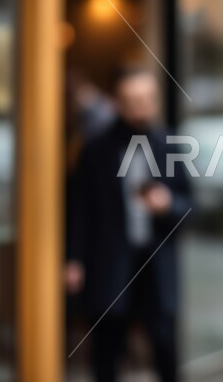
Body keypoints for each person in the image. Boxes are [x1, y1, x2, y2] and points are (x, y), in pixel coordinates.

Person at [66, 65, 191, 382]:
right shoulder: (96, 149)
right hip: (110, 261)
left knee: (164, 344)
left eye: (146, 98)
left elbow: (190, 204)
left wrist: (168, 203)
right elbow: (80, 208)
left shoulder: (170, 144)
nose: (140, 106)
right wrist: (74, 259)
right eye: (132, 100)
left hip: (156, 260)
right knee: (107, 345)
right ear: (117, 102)